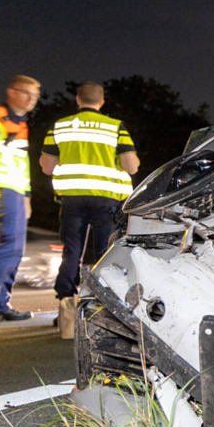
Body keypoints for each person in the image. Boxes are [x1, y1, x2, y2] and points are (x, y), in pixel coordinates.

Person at [40, 81, 139, 337]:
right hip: (106, 200)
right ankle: (102, 309)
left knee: (72, 251)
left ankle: (67, 316)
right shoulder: (114, 127)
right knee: (104, 253)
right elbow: (131, 166)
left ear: (77, 99)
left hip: (71, 199)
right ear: (102, 101)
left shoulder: (60, 126)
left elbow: (47, 166)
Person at [0, 75, 40, 322]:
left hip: (13, 191)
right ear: (11, 91)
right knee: (10, 247)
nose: (32, 99)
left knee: (14, 249)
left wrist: (26, 196)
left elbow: (22, 165)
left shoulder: (20, 125)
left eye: (35, 95)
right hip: (2, 189)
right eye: (26, 93)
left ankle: (1, 304)